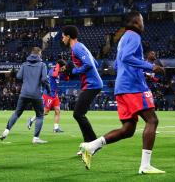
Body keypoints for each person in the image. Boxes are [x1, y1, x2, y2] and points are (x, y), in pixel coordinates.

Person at [79, 11, 165, 174]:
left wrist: (145, 64)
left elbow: (119, 66)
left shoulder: (124, 38)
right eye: (141, 20)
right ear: (135, 22)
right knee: (152, 120)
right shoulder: (134, 36)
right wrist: (150, 66)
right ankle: (145, 166)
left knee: (128, 129)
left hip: (122, 87)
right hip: (133, 87)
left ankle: (91, 146)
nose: (143, 23)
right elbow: (126, 58)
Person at [61, 25, 103, 154]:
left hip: (92, 84)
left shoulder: (76, 48)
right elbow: (95, 63)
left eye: (63, 36)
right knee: (79, 114)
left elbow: (90, 65)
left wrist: (74, 71)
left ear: (68, 36)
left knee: (78, 114)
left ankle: (94, 143)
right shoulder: (81, 46)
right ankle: (88, 145)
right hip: (92, 84)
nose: (62, 39)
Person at [0, 47, 50, 144]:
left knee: (17, 113)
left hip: (24, 93)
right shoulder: (42, 65)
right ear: (39, 54)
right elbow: (44, 79)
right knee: (40, 116)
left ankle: (6, 131)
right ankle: (35, 138)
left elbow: (18, 76)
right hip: (36, 94)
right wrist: (48, 89)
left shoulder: (24, 64)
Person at [28, 59, 68, 133]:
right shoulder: (52, 71)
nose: (64, 69)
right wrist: (58, 66)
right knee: (45, 112)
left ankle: (56, 128)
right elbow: (54, 75)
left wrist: (66, 74)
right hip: (48, 94)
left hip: (55, 95)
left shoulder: (59, 73)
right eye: (63, 67)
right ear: (60, 66)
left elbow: (66, 79)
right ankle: (31, 119)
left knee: (57, 111)